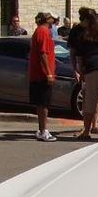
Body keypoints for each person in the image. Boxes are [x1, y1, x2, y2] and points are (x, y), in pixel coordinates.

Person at [29, 11, 58, 141]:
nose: (54, 20)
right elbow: (43, 54)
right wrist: (49, 73)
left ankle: (41, 129)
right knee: (43, 103)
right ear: (47, 19)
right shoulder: (43, 31)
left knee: (42, 103)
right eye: (52, 18)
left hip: (39, 74)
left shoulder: (41, 31)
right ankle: (43, 131)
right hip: (41, 75)